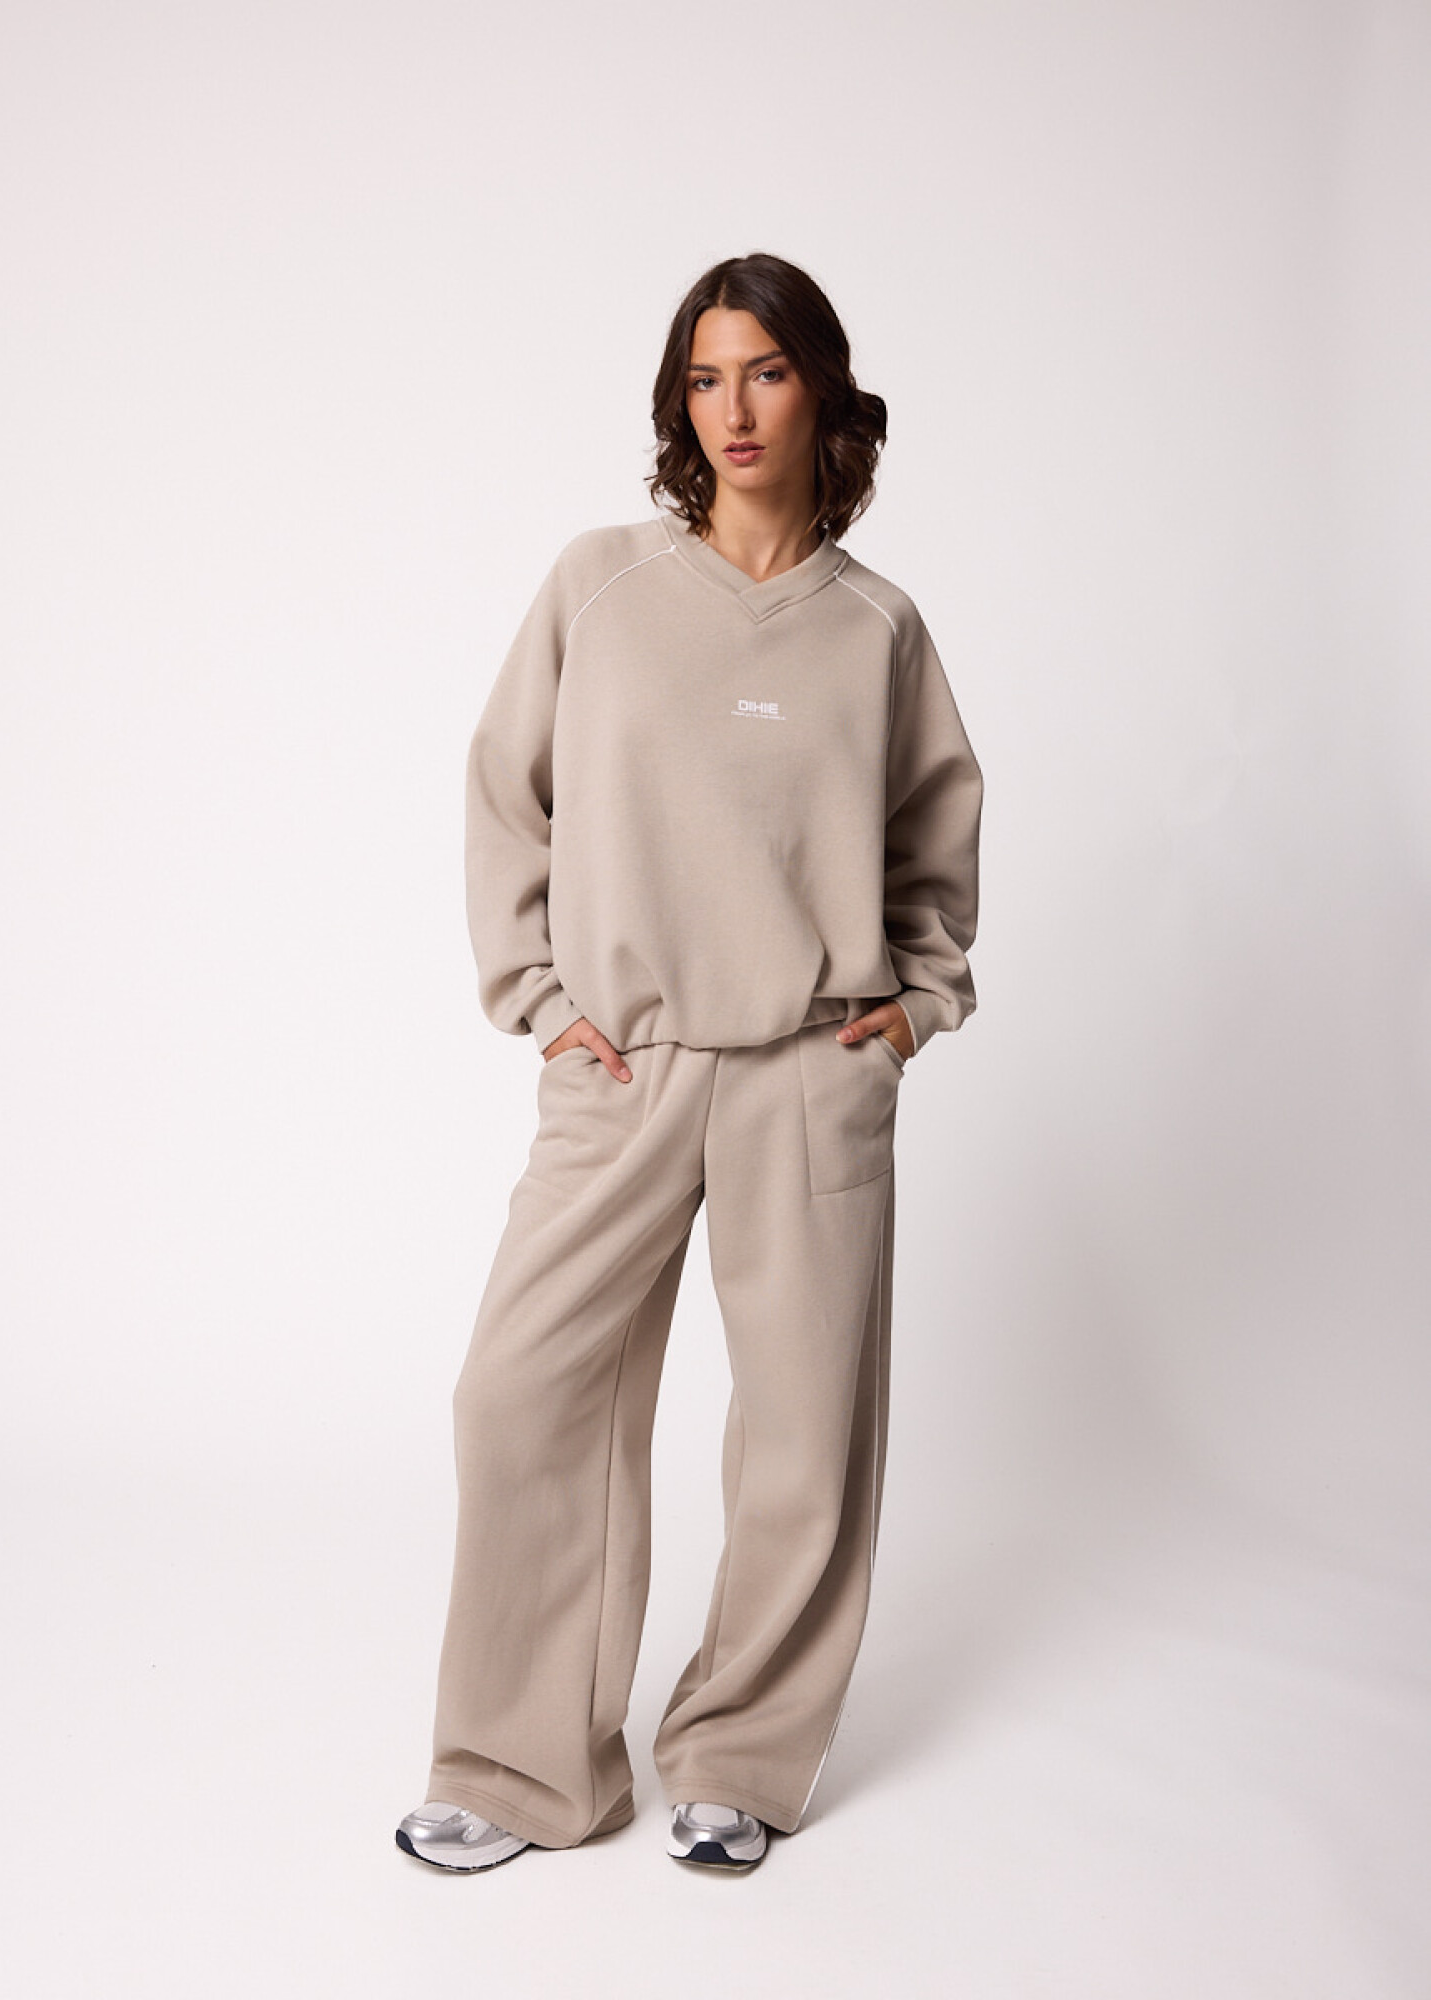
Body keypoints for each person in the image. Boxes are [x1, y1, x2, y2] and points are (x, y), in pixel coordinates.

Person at [396, 251, 983, 1874]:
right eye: (706, 378)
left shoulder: (878, 628)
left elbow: (935, 844)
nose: (734, 409)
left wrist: (913, 1006)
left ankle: (742, 1752)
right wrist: (539, 996)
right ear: (679, 401)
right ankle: (522, 1766)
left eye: (767, 373)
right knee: (523, 1392)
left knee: (802, 1431)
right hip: (626, 1064)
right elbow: (506, 791)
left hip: (809, 1068)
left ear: (822, 394)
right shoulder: (600, 584)